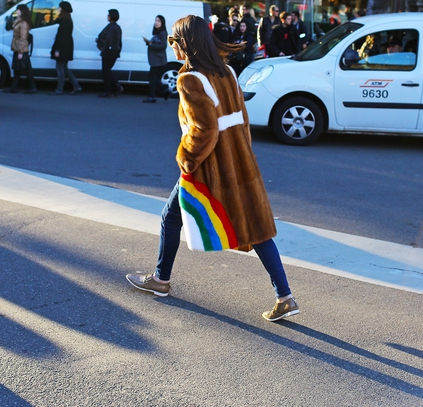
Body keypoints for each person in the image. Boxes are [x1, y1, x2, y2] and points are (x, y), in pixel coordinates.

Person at [125, 14, 300, 322]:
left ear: (184, 44)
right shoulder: (228, 71)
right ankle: (285, 297)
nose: (172, 48)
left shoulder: (189, 79)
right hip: (240, 161)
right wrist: (244, 156)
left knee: (170, 217)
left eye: (173, 42)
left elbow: (203, 130)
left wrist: (186, 161)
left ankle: (161, 280)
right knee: (256, 228)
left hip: (209, 169)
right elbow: (242, 120)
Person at [49, 1, 81, 95]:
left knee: (60, 68)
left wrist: (57, 50)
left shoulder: (65, 22)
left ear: (63, 10)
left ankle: (59, 89)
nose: (58, 9)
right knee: (65, 68)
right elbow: (56, 21)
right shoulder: (67, 20)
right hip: (66, 47)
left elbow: (61, 37)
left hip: (63, 48)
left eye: (60, 8)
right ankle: (76, 86)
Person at [4, 4, 36, 94]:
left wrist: (21, 52)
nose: (17, 11)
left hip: (20, 49)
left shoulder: (23, 23)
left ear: (22, 11)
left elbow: (23, 38)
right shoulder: (20, 21)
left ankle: (32, 87)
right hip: (17, 48)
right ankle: (14, 87)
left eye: (18, 10)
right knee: (17, 68)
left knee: (25, 69)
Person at [143, 15, 171, 103]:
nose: (156, 23)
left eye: (158, 21)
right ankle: (161, 93)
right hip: (155, 58)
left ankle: (154, 95)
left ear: (162, 23)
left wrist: (151, 45)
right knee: (153, 77)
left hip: (158, 59)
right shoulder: (157, 32)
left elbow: (163, 46)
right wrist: (149, 43)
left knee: (153, 77)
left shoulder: (163, 33)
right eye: (156, 21)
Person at [96, 9, 122, 98]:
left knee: (105, 71)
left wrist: (103, 49)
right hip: (114, 51)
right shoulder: (116, 27)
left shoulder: (111, 27)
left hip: (109, 52)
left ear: (111, 16)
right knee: (107, 70)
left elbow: (108, 40)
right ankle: (117, 86)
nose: (107, 16)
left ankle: (108, 90)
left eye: (108, 15)